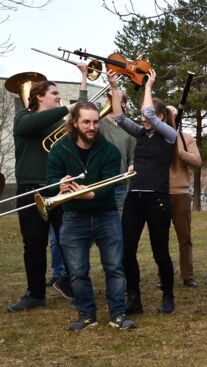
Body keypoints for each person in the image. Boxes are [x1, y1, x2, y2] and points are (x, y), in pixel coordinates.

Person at [46, 101, 135, 331]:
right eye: (86, 122)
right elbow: (51, 182)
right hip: (73, 217)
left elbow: (109, 185)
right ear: (74, 123)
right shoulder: (59, 149)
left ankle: (118, 314)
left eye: (95, 122)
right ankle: (87, 315)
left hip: (106, 215)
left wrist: (91, 194)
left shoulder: (109, 151)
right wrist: (60, 185)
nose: (92, 126)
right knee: (77, 272)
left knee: (114, 267)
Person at [7, 62, 88, 312]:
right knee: (34, 243)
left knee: (70, 240)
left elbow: (78, 118)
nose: (59, 98)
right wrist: (68, 107)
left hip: (58, 188)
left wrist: (83, 82)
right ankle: (35, 293)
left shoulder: (57, 125)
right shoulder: (23, 117)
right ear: (39, 96)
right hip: (30, 189)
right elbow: (30, 126)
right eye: (54, 94)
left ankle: (71, 285)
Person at [109, 70, 178, 315]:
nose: (144, 118)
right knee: (127, 250)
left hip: (157, 200)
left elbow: (149, 113)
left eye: (149, 115)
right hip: (134, 199)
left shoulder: (170, 135)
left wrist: (148, 86)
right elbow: (117, 117)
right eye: (141, 115)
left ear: (161, 116)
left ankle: (168, 296)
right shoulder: (140, 133)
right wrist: (114, 88)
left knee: (160, 252)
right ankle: (134, 298)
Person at [167, 105, 202, 288]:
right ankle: (163, 275)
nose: (172, 116)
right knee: (161, 238)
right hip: (161, 194)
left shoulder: (186, 138)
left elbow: (197, 161)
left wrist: (179, 152)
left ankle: (187, 275)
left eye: (174, 113)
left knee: (185, 237)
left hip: (181, 194)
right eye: (168, 113)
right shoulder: (158, 138)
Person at [98, 90, 136, 214]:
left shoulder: (130, 127)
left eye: (114, 97)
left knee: (119, 224)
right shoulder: (98, 123)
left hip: (120, 183)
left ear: (123, 104)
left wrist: (132, 164)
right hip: (99, 182)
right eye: (109, 97)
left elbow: (133, 156)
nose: (110, 99)